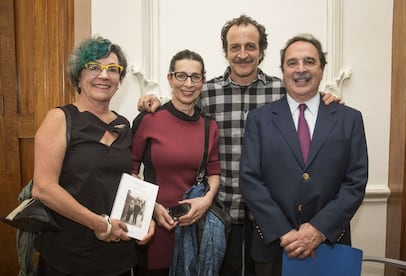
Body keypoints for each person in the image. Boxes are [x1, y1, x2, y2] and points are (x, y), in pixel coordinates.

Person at [137, 15, 341, 276]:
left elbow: (309, 104)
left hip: (274, 218)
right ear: (226, 52)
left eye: (250, 46)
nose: (242, 54)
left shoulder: (283, 91)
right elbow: (178, 110)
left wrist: (326, 98)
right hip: (219, 213)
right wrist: (151, 100)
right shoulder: (207, 92)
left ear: (262, 51)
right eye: (235, 47)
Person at [239, 33, 368, 276]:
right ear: (282, 70)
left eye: (309, 61)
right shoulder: (259, 120)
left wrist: (318, 229)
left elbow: (355, 182)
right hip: (274, 247)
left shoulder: (349, 119)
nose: (301, 69)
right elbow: (250, 180)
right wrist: (284, 232)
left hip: (330, 244)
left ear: (322, 68)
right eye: (292, 63)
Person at [31, 36, 155, 276]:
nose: (104, 75)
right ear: (79, 75)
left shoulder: (123, 124)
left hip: (117, 256)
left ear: (119, 80)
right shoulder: (60, 119)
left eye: (112, 69)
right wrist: (101, 224)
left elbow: (126, 180)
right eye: (94, 67)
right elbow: (43, 188)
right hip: (69, 256)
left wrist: (144, 217)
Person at [131, 49, 221, 275]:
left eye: (195, 77)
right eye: (181, 76)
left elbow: (214, 171)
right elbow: (129, 172)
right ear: (169, 78)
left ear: (203, 81)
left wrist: (206, 201)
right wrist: (151, 208)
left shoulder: (209, 126)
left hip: (192, 228)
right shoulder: (148, 120)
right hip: (152, 227)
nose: (188, 84)